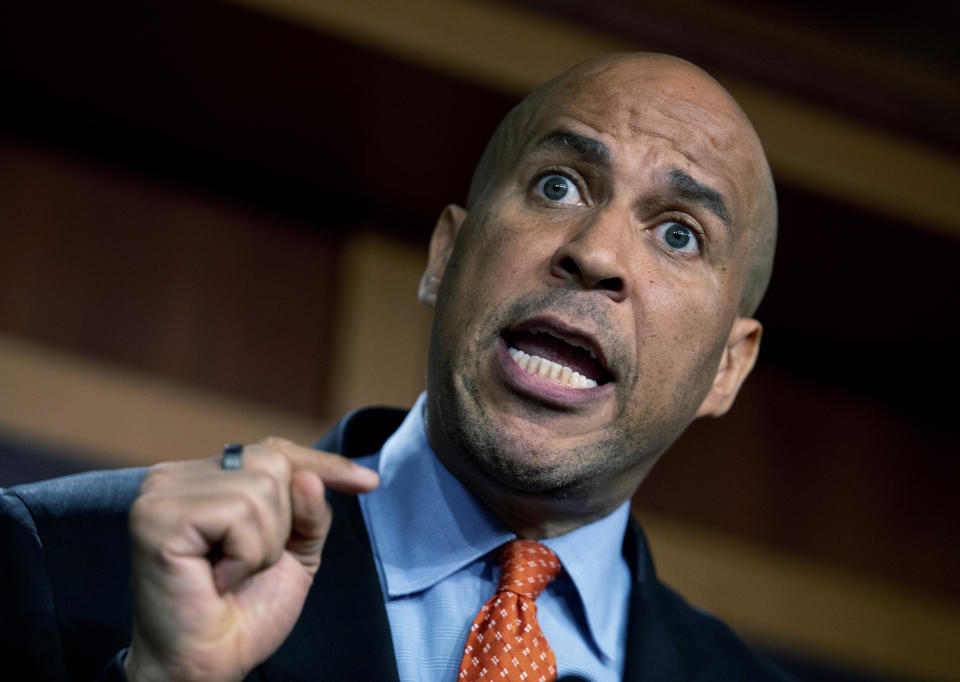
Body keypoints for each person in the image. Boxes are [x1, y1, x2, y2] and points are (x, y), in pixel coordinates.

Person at [0, 52, 790, 681]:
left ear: (727, 367)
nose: (596, 252)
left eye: (679, 234)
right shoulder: (61, 560)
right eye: (559, 185)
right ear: (445, 256)